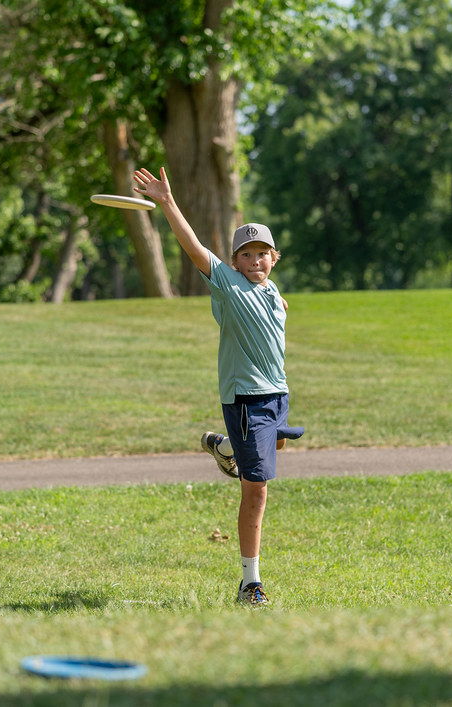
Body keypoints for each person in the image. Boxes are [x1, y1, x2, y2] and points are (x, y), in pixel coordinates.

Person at [133, 167, 304, 606]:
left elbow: (276, 302)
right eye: (246, 255)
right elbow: (193, 247)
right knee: (257, 488)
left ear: (274, 257)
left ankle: (226, 448)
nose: (255, 261)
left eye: (263, 253)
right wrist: (168, 202)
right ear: (233, 263)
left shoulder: (272, 292)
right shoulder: (229, 286)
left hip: (277, 395)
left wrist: (280, 300)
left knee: (272, 453)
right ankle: (250, 584)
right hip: (246, 400)